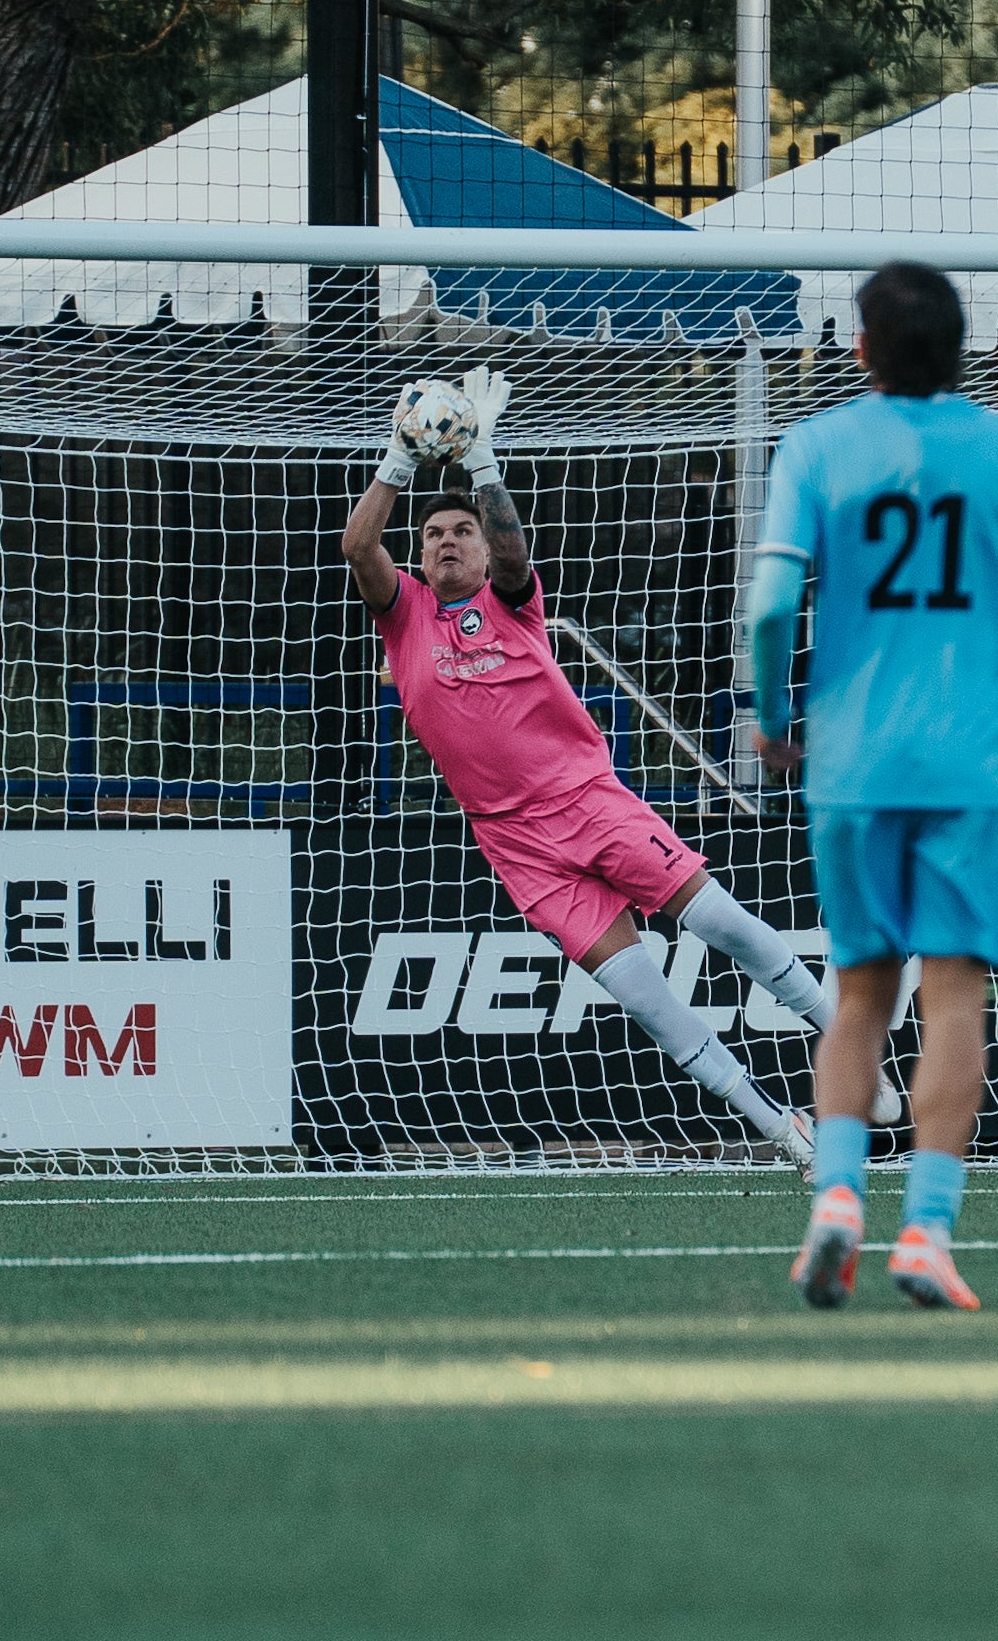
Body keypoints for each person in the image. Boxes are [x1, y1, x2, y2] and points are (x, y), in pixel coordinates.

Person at [342, 365, 901, 1174]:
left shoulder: (510, 601)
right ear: (420, 556)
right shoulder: (405, 619)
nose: (448, 540)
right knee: (645, 998)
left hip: (587, 799)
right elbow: (359, 545)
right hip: (516, 843)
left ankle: (856, 1054)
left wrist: (484, 466)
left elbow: (512, 549)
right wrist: (399, 459)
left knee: (721, 925)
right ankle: (783, 1129)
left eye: (459, 529)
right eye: (434, 535)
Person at [747, 264, 998, 1311]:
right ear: (964, 351)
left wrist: (776, 720)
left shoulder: (819, 444)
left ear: (861, 349)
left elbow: (771, 606)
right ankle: (927, 1230)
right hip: (968, 761)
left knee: (861, 994)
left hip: (854, 762)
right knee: (956, 993)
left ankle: (836, 1205)